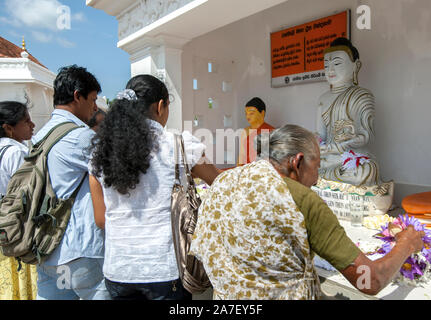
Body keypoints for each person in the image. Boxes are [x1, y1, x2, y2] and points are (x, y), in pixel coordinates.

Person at [189, 124, 425, 300]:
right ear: (298, 161)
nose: (318, 176)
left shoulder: (224, 180)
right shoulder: (301, 200)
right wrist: (406, 244)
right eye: (318, 166)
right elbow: (369, 280)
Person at [88, 74, 221, 300]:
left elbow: (101, 220)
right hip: (165, 269)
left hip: (119, 270)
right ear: (160, 106)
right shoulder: (179, 145)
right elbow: (219, 182)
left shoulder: (99, 154)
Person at [32, 65, 110, 300]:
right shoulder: (81, 136)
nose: (95, 106)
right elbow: (114, 178)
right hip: (79, 250)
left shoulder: (41, 136)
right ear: (78, 96)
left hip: (46, 248)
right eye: (93, 99)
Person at [317, 37, 380, 187]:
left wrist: (336, 148)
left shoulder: (363, 95)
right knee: (304, 163)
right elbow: (321, 134)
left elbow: (366, 136)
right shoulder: (323, 99)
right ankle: (329, 177)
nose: (330, 70)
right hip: (328, 158)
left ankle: (328, 180)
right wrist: (316, 142)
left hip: (352, 157)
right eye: (326, 65)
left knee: (367, 170)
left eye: (337, 64)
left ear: (355, 66)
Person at [0, 101, 37, 300]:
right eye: (26, 121)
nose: (32, 125)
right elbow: (28, 194)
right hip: (16, 230)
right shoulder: (16, 153)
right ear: (9, 128)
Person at [237, 97, 275, 166]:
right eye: (246, 113)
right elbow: (241, 155)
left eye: (251, 113)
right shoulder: (245, 131)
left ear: (262, 113)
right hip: (245, 169)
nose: (248, 116)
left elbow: (270, 159)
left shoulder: (271, 131)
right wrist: (237, 171)